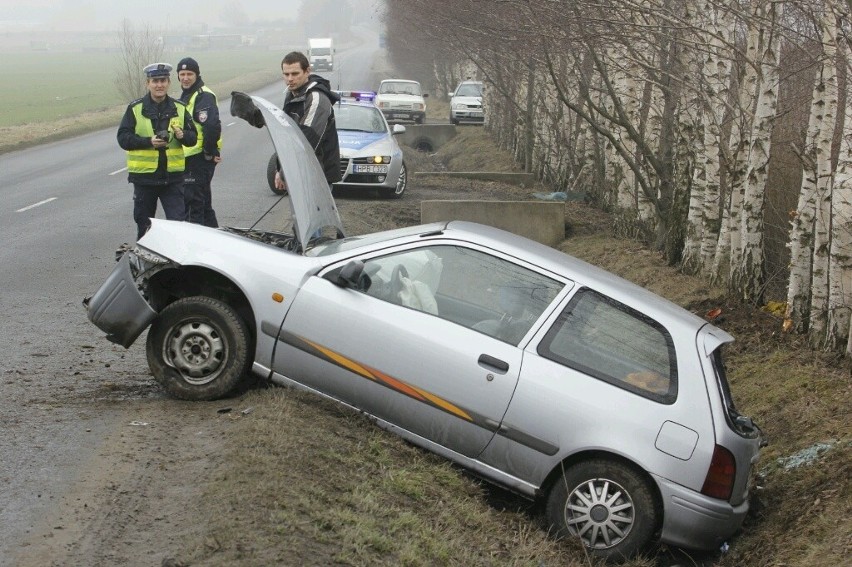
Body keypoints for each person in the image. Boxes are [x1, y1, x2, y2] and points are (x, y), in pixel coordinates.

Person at [231, 51, 341, 190]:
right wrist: (255, 115)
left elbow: (305, 142)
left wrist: (284, 173)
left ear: (307, 71)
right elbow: (286, 131)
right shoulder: (293, 95)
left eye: (295, 74)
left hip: (318, 175)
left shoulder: (316, 99)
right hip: (302, 172)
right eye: (286, 74)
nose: (290, 79)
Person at [117, 63, 197, 240]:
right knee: (144, 227)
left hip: (173, 179)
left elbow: (193, 139)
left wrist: (183, 135)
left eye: (162, 81)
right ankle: (146, 264)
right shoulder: (135, 108)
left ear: (168, 83)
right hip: (145, 179)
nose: (159, 85)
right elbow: (123, 138)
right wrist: (148, 142)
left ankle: (177, 265)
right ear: (148, 84)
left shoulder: (180, 108)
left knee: (178, 226)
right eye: (155, 81)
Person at [176, 57, 221, 228]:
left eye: (189, 74)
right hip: (191, 157)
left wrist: (209, 153)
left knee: (193, 206)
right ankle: (217, 243)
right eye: (182, 74)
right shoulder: (189, 95)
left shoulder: (203, 96)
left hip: (198, 157)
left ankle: (196, 249)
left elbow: (210, 126)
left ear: (197, 75)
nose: (185, 78)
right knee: (204, 206)